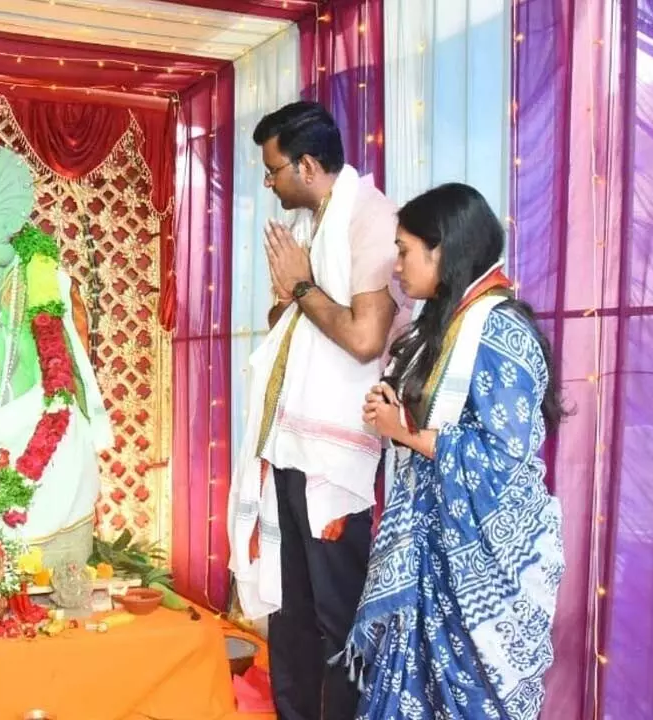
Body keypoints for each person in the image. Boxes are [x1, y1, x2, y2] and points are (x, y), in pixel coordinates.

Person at [354, 183, 565, 719]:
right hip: (428, 550)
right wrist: (397, 413)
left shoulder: (501, 331)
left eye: (403, 250)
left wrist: (404, 432)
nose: (396, 266)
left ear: (441, 249)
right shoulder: (440, 325)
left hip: (476, 567)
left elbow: (501, 459)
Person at [227, 101, 404, 720]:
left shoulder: (368, 216)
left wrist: (301, 289)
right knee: (291, 610)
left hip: (335, 459)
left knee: (336, 612)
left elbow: (363, 338)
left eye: (273, 169)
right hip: (291, 447)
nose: (268, 181)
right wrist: (290, 297)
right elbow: (292, 328)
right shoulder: (312, 222)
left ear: (306, 164)